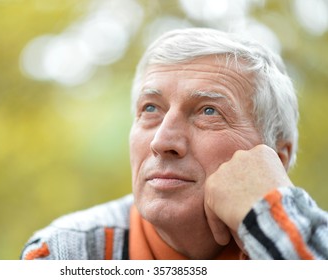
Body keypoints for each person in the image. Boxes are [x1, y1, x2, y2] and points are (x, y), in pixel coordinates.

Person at [20, 28, 328, 260]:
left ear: (276, 156)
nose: (162, 141)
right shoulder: (65, 253)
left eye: (209, 111)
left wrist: (273, 214)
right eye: (151, 108)